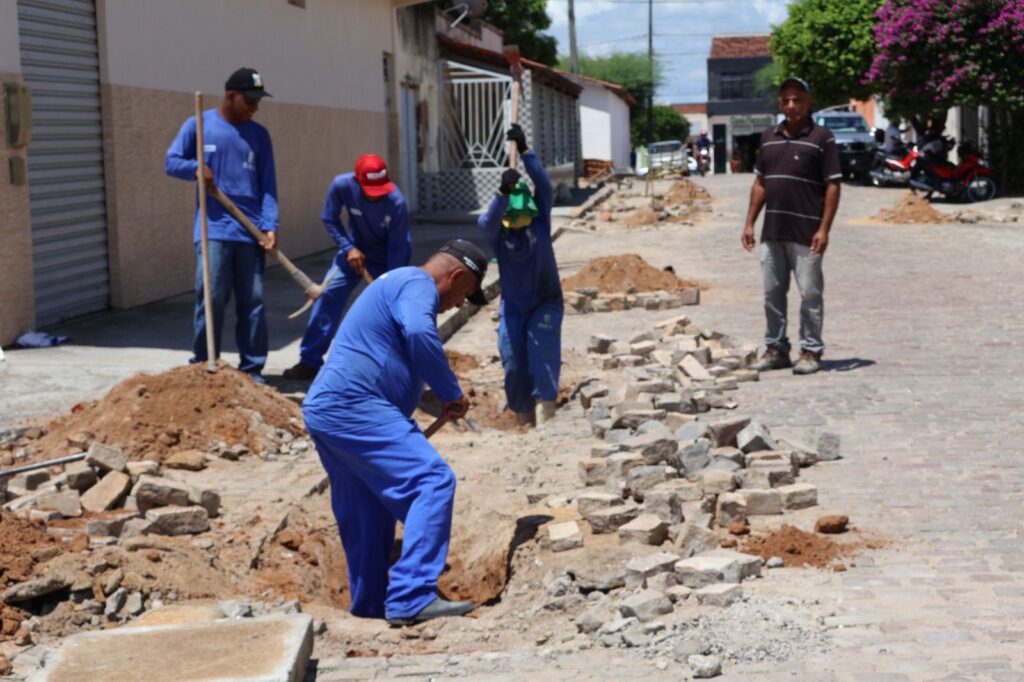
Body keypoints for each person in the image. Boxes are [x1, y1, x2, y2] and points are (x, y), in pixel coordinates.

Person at [302, 239, 488, 626]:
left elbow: (392, 358)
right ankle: (411, 596)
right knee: (432, 481)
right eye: (463, 295)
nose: (456, 306)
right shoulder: (414, 283)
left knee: (368, 511)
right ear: (456, 276)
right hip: (356, 404)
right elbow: (421, 334)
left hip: (330, 409)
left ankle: (371, 607)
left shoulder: (396, 286)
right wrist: (450, 391)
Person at [165, 67, 277, 383]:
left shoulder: (259, 135)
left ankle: (252, 368)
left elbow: (268, 185)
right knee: (210, 297)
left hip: (250, 230)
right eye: (250, 100)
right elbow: (170, 161)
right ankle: (203, 362)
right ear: (231, 96)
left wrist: (270, 224)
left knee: (252, 302)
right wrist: (195, 168)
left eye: (258, 101)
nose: (255, 107)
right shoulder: (199, 126)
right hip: (213, 229)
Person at [741, 77, 841, 376]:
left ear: (808, 102)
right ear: (779, 103)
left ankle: (810, 350)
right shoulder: (768, 137)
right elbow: (760, 183)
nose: (791, 105)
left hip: (807, 233)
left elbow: (833, 186)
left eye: (797, 99)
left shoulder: (822, 138)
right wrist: (749, 223)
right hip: (773, 231)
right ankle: (776, 349)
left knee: (810, 293)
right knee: (772, 292)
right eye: (786, 100)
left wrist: (824, 229)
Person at [283, 154, 412, 380]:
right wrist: (348, 247)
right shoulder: (342, 186)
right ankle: (310, 361)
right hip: (354, 252)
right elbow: (329, 218)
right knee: (327, 297)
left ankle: (390, 366)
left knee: (387, 306)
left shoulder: (396, 202)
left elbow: (397, 248)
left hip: (388, 255)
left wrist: (390, 283)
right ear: (357, 180)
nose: (375, 196)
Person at [478, 124, 563, 426]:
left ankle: (546, 414)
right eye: (514, 221)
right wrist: (502, 191)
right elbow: (485, 222)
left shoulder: (540, 222)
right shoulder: (497, 236)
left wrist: (526, 151)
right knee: (513, 363)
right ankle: (522, 417)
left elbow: (543, 184)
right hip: (513, 306)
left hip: (545, 301)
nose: (520, 225)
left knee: (542, 358)